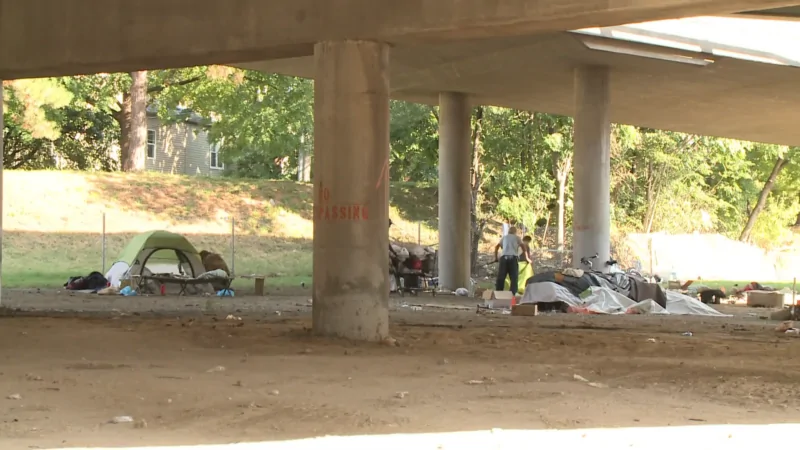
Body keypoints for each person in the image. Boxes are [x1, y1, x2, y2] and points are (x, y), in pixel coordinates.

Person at [494, 227, 528, 294]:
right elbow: (523, 247)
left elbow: (496, 247)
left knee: (501, 277)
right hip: (513, 258)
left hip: (504, 258)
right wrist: (527, 258)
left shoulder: (504, 237)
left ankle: (498, 293)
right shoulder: (517, 238)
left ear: (508, 231)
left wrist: (496, 258)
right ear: (515, 232)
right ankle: (512, 295)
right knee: (514, 277)